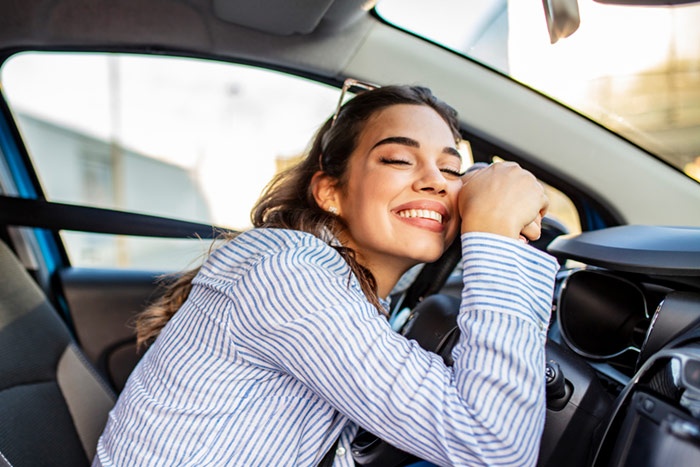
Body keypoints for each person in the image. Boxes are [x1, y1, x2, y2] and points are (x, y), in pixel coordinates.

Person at [94, 83, 559, 467]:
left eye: (451, 168)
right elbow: (493, 447)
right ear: (331, 192)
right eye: (398, 159)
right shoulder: (291, 273)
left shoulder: (345, 281)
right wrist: (494, 235)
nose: (436, 180)